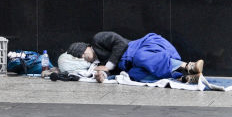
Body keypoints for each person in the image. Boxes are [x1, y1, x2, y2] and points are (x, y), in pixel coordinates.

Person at [66, 31, 204, 84]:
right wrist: (102, 74)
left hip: (141, 47)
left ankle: (188, 66)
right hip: (132, 64)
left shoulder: (98, 39)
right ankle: (183, 78)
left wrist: (108, 66)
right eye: (81, 57)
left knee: (141, 57)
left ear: (86, 47)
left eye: (83, 53)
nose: (85, 57)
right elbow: (112, 72)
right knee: (135, 75)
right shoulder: (97, 63)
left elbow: (120, 43)